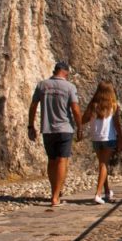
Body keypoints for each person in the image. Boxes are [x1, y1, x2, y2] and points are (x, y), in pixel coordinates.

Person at [28, 61, 83, 208]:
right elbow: (75, 108)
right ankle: (55, 196)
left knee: (52, 160)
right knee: (62, 161)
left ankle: (54, 191)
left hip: (47, 128)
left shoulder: (42, 85)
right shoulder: (69, 87)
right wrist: (80, 126)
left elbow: (33, 106)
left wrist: (31, 125)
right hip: (65, 128)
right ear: (65, 72)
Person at [81, 81, 120, 204]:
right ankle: (98, 194)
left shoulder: (94, 105)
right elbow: (117, 123)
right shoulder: (113, 105)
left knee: (102, 165)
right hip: (109, 137)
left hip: (96, 137)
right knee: (104, 165)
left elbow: (84, 119)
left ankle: (107, 191)